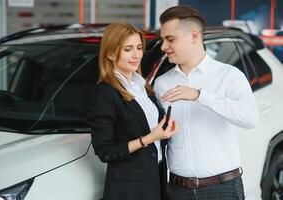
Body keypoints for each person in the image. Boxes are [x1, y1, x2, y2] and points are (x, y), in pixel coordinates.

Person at [153, 5, 259, 200]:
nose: (163, 47)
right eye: (163, 40)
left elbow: (249, 118)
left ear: (194, 36)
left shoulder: (229, 75)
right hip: (178, 190)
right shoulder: (161, 84)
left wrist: (200, 95)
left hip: (222, 189)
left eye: (170, 39)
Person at [87, 22, 178, 200]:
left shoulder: (143, 86)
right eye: (128, 49)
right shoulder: (104, 92)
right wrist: (150, 138)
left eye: (138, 47)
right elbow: (105, 151)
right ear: (111, 53)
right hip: (129, 190)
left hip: (156, 177)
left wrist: (166, 130)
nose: (136, 55)